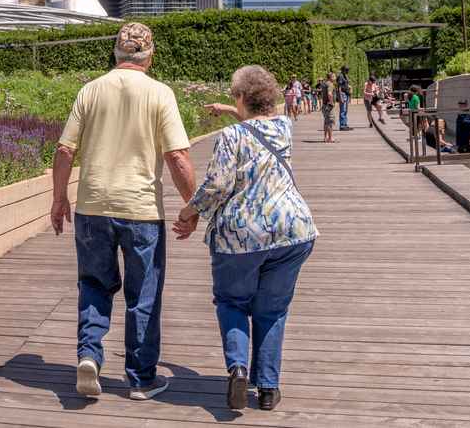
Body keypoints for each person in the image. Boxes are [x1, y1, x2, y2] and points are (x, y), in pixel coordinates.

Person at [51, 22, 197, 401]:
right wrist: (193, 206)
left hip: (91, 206)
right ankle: (141, 379)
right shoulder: (160, 93)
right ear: (150, 57)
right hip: (141, 210)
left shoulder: (90, 90)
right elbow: (177, 155)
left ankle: (89, 356)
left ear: (115, 53)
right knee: (143, 293)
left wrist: (58, 199)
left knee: (95, 285)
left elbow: (65, 150)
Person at [177, 66, 319, 412]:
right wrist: (232, 110)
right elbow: (260, 118)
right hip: (293, 231)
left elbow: (218, 185)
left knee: (232, 301)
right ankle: (268, 388)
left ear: (240, 98)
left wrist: (188, 212)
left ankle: (238, 368)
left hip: (241, 236)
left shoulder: (230, 137)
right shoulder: (285, 128)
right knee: (272, 311)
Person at [320, 71, 339, 143]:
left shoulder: (324, 84)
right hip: (329, 106)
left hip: (324, 105)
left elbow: (322, 94)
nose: (335, 78)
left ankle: (326, 137)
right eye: (334, 77)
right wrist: (332, 102)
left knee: (326, 121)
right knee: (330, 122)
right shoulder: (330, 85)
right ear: (331, 77)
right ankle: (331, 138)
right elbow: (329, 93)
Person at [337, 66, 352, 131]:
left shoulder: (344, 76)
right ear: (343, 69)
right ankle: (342, 125)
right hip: (342, 94)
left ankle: (345, 124)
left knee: (345, 110)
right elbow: (339, 87)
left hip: (346, 94)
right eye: (346, 70)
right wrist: (341, 98)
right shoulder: (340, 76)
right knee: (342, 110)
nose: (347, 71)